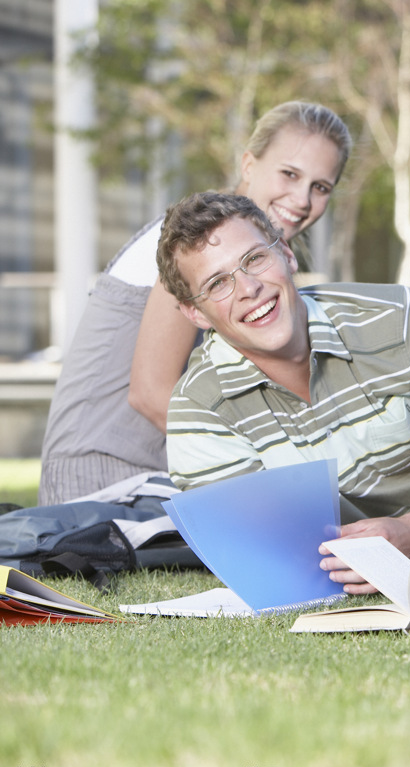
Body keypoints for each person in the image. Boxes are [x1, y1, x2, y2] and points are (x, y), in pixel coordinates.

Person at [158, 192, 410, 593]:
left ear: (286, 254)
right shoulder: (198, 411)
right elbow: (271, 560)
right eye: (218, 283)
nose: (249, 288)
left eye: (255, 259)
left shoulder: (403, 322)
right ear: (195, 313)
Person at [39, 101, 352, 505]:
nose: (302, 199)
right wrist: (273, 472)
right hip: (104, 477)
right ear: (249, 165)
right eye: (289, 174)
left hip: (160, 471)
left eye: (320, 187)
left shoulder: (251, 252)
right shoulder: (200, 243)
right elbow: (151, 394)